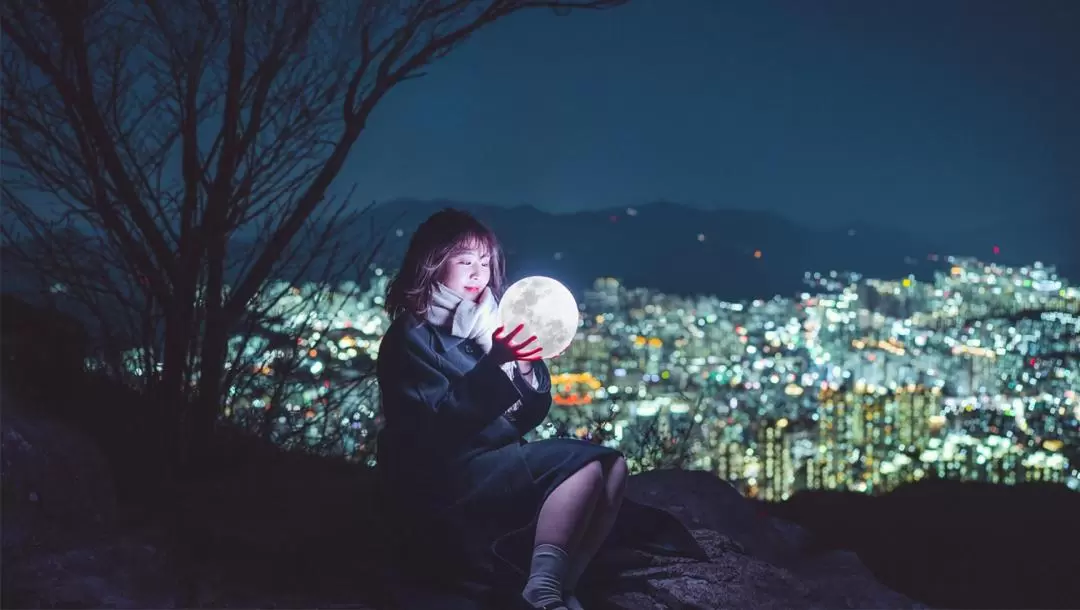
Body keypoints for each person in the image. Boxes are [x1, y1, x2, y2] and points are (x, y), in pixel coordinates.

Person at [376, 208, 629, 610]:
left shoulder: (491, 322)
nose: (478, 273)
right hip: (445, 474)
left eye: (484, 262)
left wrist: (523, 367)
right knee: (582, 464)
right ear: (433, 264)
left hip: (489, 458)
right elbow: (439, 429)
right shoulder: (413, 335)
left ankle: (564, 584)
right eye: (464, 261)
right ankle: (540, 589)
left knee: (613, 465)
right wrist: (497, 366)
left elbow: (530, 411)